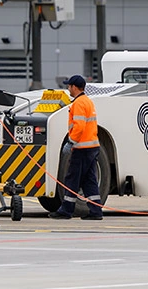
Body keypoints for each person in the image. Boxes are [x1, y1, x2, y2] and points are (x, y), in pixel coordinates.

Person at [50, 74, 103, 221]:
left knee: (72, 178)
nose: (68, 89)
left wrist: (71, 142)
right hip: (92, 146)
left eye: (69, 86)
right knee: (89, 180)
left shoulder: (78, 103)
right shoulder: (88, 101)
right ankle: (96, 210)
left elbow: (79, 126)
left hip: (82, 148)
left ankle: (66, 210)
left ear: (74, 87)